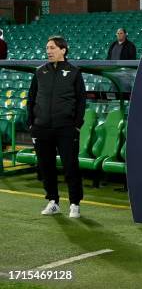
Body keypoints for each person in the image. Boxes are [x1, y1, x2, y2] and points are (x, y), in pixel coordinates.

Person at [27, 36, 86, 218]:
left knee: (70, 166)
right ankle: (53, 201)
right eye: (47, 48)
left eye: (52, 48)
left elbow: (81, 101)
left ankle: (74, 203)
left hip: (66, 128)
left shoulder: (74, 72)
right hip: (42, 127)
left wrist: (76, 125)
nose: (49, 51)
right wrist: (31, 123)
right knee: (46, 166)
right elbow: (31, 99)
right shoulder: (39, 72)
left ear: (63, 50)